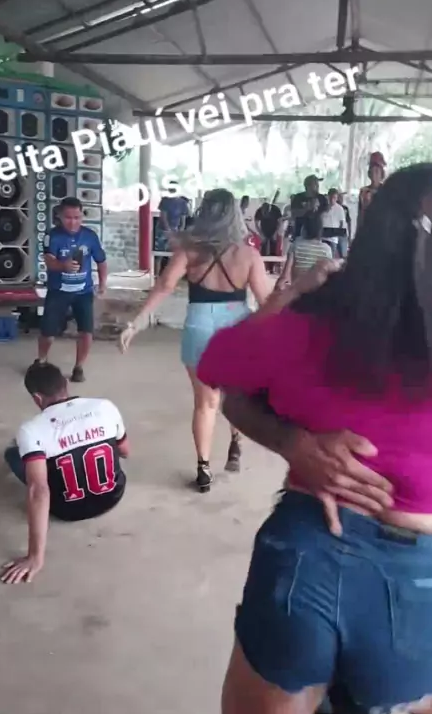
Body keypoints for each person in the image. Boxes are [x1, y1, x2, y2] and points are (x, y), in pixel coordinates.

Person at [191, 163, 432, 714]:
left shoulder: (316, 320)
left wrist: (292, 439)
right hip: (430, 575)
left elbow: (220, 367)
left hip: (309, 554)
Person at [118, 188, 271, 492]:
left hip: (199, 324)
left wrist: (136, 323)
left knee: (205, 403)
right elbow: (266, 301)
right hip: (237, 326)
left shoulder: (188, 252)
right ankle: (236, 442)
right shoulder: (248, 255)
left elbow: (164, 285)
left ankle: (204, 468)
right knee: (235, 393)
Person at [1, 362, 128, 584]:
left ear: (37, 398)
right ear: (65, 385)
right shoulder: (105, 406)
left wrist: (35, 557)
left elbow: (38, 490)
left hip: (67, 509)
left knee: (13, 454)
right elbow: (125, 451)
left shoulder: (31, 429)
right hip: (112, 495)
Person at [35, 197, 108, 383]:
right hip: (58, 291)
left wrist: (102, 284)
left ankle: (79, 367)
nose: (73, 222)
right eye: (68, 217)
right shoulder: (52, 236)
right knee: (48, 332)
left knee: (86, 332)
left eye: (77, 217)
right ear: (60, 216)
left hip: (83, 292)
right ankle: (41, 361)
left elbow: (101, 261)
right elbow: (49, 261)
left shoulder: (90, 236)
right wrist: (63, 266)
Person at [277, 212, 334, 288]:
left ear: (304, 229)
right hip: (318, 291)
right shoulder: (327, 250)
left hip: (298, 290)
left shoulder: (296, 246)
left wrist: (278, 285)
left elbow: (285, 275)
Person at [290, 176, 328, 240]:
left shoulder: (322, 198)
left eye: (317, 183)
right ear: (308, 186)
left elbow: (326, 214)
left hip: (317, 235)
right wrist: (307, 208)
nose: (318, 185)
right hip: (300, 234)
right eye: (315, 183)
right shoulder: (298, 197)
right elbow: (294, 214)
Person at [358, 151, 386, 224]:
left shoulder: (387, 191)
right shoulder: (363, 192)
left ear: (382, 173)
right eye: (372, 171)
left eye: (377, 171)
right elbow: (360, 216)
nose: (374, 175)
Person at [321, 188, 347, 256]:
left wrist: (338, 233)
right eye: (330, 197)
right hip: (322, 237)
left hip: (333, 239)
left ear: (337, 198)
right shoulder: (322, 207)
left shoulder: (340, 209)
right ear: (328, 197)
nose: (332, 200)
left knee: (331, 257)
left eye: (334, 198)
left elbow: (342, 223)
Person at [337, 191, 352, 259]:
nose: (341, 199)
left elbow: (349, 222)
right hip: (334, 232)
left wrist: (349, 235)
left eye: (342, 197)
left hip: (343, 233)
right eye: (340, 197)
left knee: (343, 254)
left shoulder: (345, 208)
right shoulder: (333, 207)